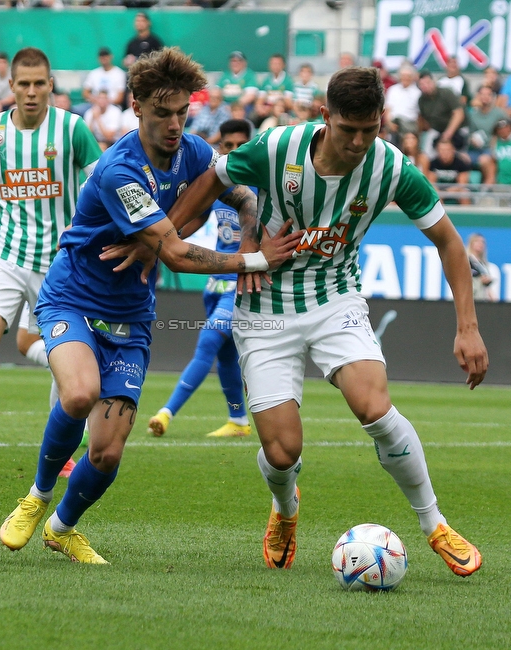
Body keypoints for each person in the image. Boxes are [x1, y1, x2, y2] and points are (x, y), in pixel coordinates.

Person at [165, 66, 487, 576]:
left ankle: (435, 524)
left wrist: (467, 326)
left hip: (335, 299)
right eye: (348, 129)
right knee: (282, 448)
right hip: (266, 304)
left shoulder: (391, 167)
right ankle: (285, 510)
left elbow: (449, 241)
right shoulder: (276, 149)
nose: (359, 141)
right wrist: (166, 237)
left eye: (370, 129)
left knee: (376, 409)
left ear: (382, 120)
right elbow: (213, 181)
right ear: (325, 117)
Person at [0, 47, 300, 563]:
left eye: (183, 112)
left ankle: (62, 527)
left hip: (130, 314)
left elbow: (244, 197)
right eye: (163, 113)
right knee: (78, 394)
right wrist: (256, 263)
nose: (176, 124)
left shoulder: (196, 153)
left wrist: (249, 239)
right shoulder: (121, 169)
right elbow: (177, 257)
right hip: (71, 297)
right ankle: (38, 495)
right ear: (136, 108)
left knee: (109, 451)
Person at [0, 47, 103, 478]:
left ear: (51, 85)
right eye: (24, 84)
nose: (31, 92)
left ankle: (63, 451)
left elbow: (102, 182)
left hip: (62, 262)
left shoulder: (72, 130)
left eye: (39, 84)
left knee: (60, 351)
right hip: (7, 252)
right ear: (10, 86)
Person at [147, 118, 254, 440]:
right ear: (220, 148)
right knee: (225, 357)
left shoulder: (262, 187)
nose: (234, 151)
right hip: (216, 282)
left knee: (209, 339)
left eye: (240, 145)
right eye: (227, 146)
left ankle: (166, 413)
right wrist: (164, 241)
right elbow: (196, 217)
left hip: (240, 282)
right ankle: (238, 419)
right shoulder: (220, 184)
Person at [417, 71, 465, 153]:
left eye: (428, 82)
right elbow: (423, 120)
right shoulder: (421, 100)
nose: (425, 86)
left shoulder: (446, 93)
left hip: (456, 129)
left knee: (457, 152)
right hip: (436, 130)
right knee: (426, 151)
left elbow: (459, 114)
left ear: (434, 82)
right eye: (422, 84)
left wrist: (448, 133)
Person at [466, 85, 505, 184]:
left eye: (488, 95)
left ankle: (488, 188)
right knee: (461, 158)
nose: (485, 97)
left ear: (492, 97)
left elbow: (509, 131)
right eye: (482, 94)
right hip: (474, 149)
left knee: (485, 160)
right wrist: (471, 139)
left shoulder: (499, 113)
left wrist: (496, 141)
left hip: (491, 149)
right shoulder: (472, 114)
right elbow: (467, 133)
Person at [427, 138, 471, 203]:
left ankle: (468, 213)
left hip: (456, 191)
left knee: (464, 194)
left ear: (453, 150)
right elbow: (432, 184)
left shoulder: (461, 164)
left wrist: (446, 192)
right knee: (435, 195)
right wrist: (440, 193)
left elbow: (462, 185)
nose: (445, 153)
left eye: (447, 150)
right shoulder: (433, 164)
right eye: (442, 150)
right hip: (439, 192)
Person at [383, 64, 420, 140]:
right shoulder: (393, 90)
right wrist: (390, 124)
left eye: (408, 76)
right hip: (392, 125)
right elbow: (388, 109)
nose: (405, 78)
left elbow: (419, 115)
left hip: (409, 127)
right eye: (403, 75)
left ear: (412, 77)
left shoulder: (417, 93)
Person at [466, 233, 496, 302]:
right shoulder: (466, 260)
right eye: (477, 241)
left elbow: (488, 289)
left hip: (481, 298)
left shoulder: (483, 264)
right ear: (471, 243)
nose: (480, 244)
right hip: (470, 298)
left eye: (482, 242)